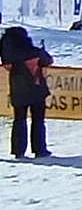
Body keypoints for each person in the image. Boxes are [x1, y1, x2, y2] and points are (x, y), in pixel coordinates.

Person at [2, 26, 54, 158]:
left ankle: (18, 150)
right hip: (37, 89)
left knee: (19, 120)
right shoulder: (34, 52)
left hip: (18, 90)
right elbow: (48, 60)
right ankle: (39, 149)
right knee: (38, 120)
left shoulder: (8, 54)